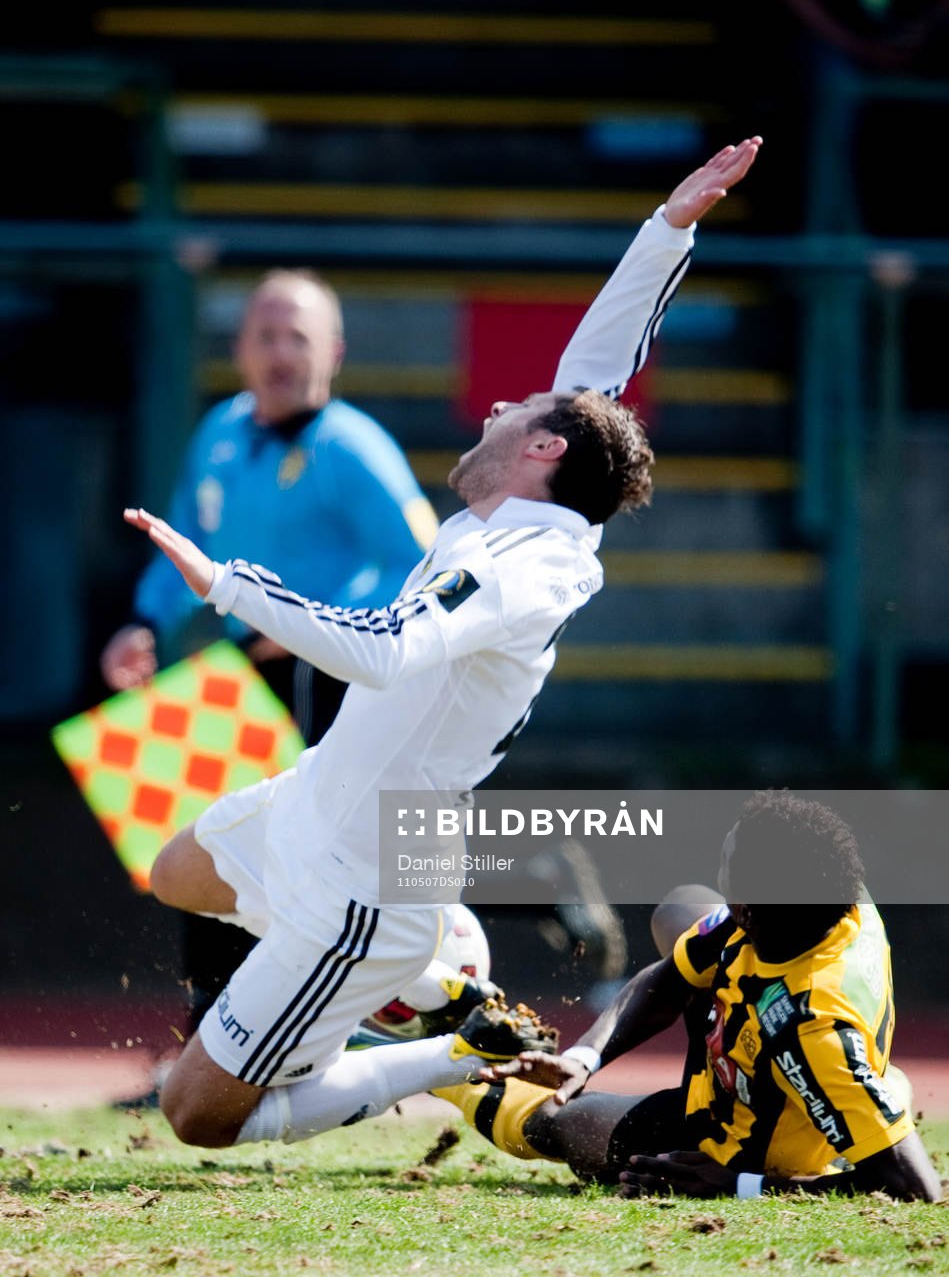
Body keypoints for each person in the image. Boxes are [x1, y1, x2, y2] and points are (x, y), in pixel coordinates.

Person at [120, 138, 763, 1152]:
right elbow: (598, 363)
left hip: (361, 881)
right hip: (320, 797)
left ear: (544, 450)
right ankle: (440, 971)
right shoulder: (537, 499)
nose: (501, 406)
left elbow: (382, 651)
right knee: (174, 869)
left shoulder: (528, 566)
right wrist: (668, 227)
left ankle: (450, 1047)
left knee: (196, 1115)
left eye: (521, 410)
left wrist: (226, 583)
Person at [100, 267, 441, 1056]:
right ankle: (210, 1038)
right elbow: (183, 541)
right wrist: (143, 623)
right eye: (266, 335)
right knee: (206, 846)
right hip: (233, 685)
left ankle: (347, 1032)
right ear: (241, 348)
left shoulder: (352, 447)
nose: (281, 352)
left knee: (322, 857)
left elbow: (419, 563)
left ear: (334, 351)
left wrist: (309, 625)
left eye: (299, 336)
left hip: (329, 683)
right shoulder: (218, 432)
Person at [448, 792, 941, 1202]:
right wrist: (584, 1057)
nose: (720, 855)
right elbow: (669, 978)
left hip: (755, 1142)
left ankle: (445, 1071)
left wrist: (745, 1186)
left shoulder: (812, 1029)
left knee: (561, 1122)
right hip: (775, 1061)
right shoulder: (827, 894)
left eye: (729, 859)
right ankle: (863, 1105)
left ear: (747, 911)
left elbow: (917, 1188)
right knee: (681, 909)